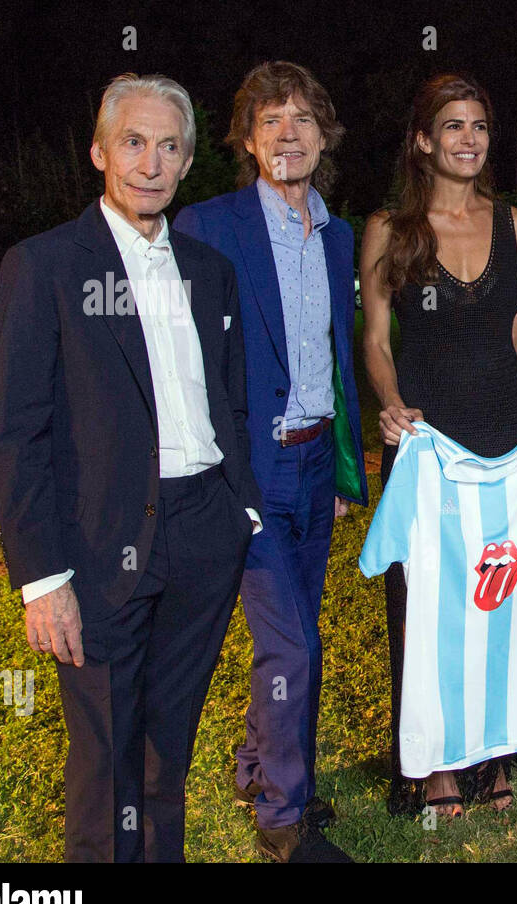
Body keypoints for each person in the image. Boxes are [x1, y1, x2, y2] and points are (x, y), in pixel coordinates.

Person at [0, 73, 261, 862]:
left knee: (166, 743)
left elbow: (231, 399)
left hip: (205, 533)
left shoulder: (209, 270)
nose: (151, 162)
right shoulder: (42, 266)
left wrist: (239, 509)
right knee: (106, 752)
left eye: (168, 146)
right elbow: (17, 434)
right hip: (101, 543)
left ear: (185, 163)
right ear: (100, 152)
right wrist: (42, 580)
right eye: (134, 142)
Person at [360, 73, 517, 817]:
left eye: (479, 127)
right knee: (425, 599)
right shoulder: (388, 229)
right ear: (423, 139)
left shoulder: (514, 225)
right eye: (452, 126)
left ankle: (493, 752)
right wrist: (393, 408)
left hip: (500, 439)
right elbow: (376, 342)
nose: (469, 139)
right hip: (428, 445)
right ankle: (429, 762)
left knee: (501, 589)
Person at [174, 61, 366, 863]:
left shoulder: (339, 233)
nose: (287, 134)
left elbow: (335, 355)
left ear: (324, 136)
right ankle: (286, 816)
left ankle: (257, 765)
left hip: (316, 462)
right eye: (270, 121)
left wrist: (345, 471)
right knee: (292, 644)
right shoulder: (207, 225)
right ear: (248, 140)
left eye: (302, 119)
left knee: (294, 634)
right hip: (247, 467)